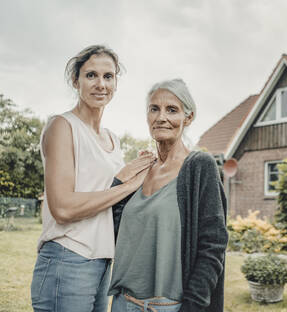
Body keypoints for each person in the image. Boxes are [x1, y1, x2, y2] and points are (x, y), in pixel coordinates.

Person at [31, 45, 154, 312]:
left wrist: (138, 169)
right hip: (67, 257)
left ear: (116, 83)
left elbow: (105, 190)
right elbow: (63, 208)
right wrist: (129, 186)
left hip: (101, 262)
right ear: (76, 81)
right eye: (91, 75)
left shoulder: (112, 138)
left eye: (108, 76)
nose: (101, 84)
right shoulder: (62, 126)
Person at [109, 79, 228, 312]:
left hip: (169, 306)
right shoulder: (143, 170)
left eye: (171, 110)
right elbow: (115, 227)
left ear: (188, 117)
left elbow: (213, 246)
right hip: (123, 303)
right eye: (154, 109)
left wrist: (192, 306)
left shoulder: (199, 166)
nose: (161, 117)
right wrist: (121, 179)